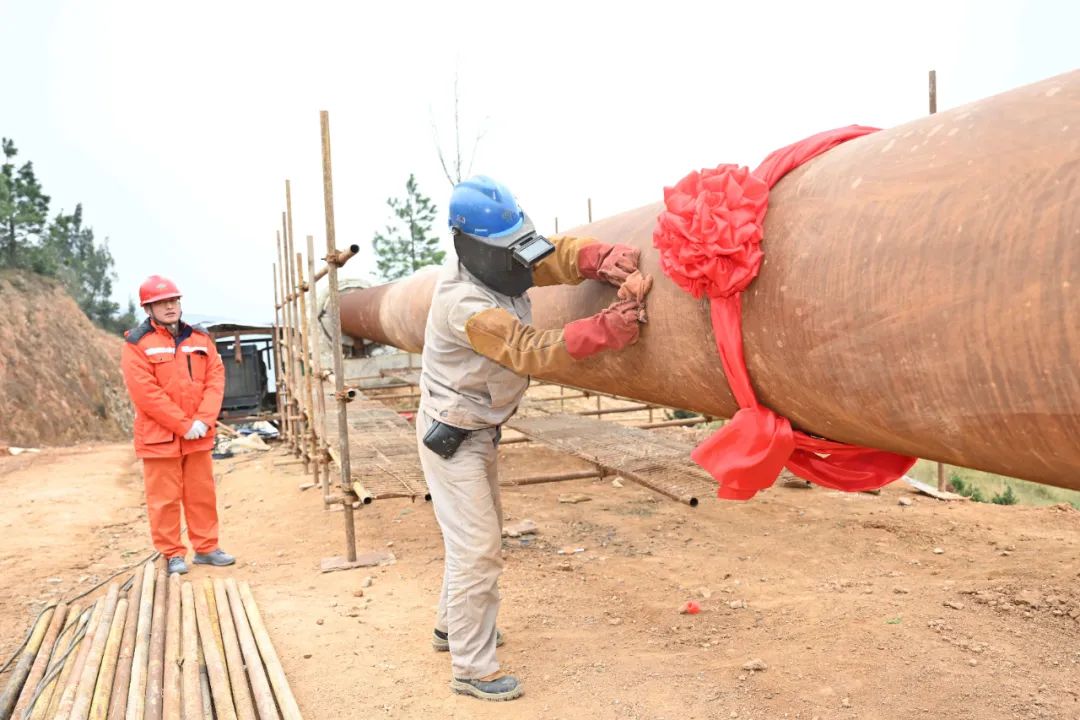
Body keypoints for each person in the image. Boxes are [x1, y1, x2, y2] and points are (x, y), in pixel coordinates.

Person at [417, 176, 651, 701]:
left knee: (476, 536)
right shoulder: (464, 303)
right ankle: (472, 668)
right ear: (471, 244)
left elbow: (549, 256)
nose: (515, 257)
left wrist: (596, 257)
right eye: (504, 247)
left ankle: (449, 628)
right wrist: (604, 330)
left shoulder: (499, 255)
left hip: (478, 427)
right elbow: (526, 349)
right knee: (477, 547)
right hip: (454, 433)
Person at [120, 275, 235, 575]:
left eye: (173, 300)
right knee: (164, 499)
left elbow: (215, 381)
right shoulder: (137, 344)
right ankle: (172, 553)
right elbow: (145, 393)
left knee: (201, 494)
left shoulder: (200, 339)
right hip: (160, 438)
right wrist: (183, 424)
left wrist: (203, 420)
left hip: (198, 433)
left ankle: (207, 548)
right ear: (148, 309)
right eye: (161, 303)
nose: (170, 307)